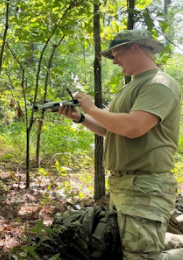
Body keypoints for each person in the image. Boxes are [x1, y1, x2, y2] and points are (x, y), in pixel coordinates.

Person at [59, 29, 183, 259]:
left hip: (145, 186)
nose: (114, 61)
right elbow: (113, 130)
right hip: (125, 186)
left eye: (117, 54)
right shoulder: (132, 87)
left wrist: (92, 108)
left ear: (136, 47)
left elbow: (133, 127)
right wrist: (82, 118)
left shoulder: (159, 84)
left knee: (142, 256)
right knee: (127, 247)